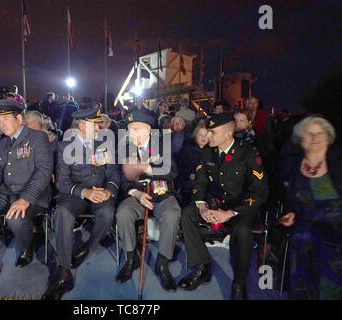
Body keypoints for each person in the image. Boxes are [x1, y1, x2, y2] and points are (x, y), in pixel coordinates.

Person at [178, 113, 269, 300]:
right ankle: (202, 267)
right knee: (188, 214)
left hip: (242, 208)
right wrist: (202, 207)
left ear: (228, 134)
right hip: (215, 204)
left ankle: (239, 283)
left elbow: (260, 193)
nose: (207, 135)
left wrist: (229, 213)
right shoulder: (206, 152)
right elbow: (200, 184)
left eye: (212, 132)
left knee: (243, 230)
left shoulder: (249, 153)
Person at [0, 100, 53, 290]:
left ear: (19, 118)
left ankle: (26, 245)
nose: (2, 124)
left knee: (15, 218)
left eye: (6, 119)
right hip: (6, 192)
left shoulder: (37, 137)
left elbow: (44, 171)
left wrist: (25, 198)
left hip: (34, 194)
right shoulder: (2, 144)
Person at [42, 108, 120, 300]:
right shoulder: (64, 146)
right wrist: (84, 192)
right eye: (94, 124)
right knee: (62, 211)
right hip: (76, 194)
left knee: (108, 213)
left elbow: (113, 174)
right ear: (81, 125)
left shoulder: (106, 143)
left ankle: (87, 247)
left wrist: (108, 191)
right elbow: (62, 182)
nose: (98, 127)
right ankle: (63, 271)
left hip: (101, 192)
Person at [115, 107, 181, 292]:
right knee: (123, 213)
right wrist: (135, 193)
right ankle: (130, 258)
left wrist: (148, 168)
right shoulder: (124, 147)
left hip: (161, 193)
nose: (131, 133)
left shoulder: (163, 145)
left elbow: (172, 172)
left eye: (136, 129)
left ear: (148, 130)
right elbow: (121, 178)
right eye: (129, 129)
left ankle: (162, 263)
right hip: (137, 193)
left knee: (172, 213)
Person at [277, 115, 341, 300]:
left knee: (330, 284)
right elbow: (285, 195)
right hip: (303, 232)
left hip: (336, 233)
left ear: (328, 137)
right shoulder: (291, 164)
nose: (314, 138)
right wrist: (289, 212)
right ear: (300, 139)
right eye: (308, 134)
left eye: (319, 133)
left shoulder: (338, 161)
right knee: (301, 280)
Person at [177, 119, 208, 206]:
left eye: (205, 135)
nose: (203, 137)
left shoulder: (212, 150)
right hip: (189, 184)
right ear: (195, 136)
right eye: (200, 135)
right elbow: (181, 168)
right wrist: (189, 174)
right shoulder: (187, 149)